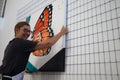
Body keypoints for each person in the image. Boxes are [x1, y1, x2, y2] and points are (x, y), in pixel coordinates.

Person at [0, 21, 68, 80]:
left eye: (29, 31)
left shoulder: (11, 44)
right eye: (25, 30)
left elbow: (13, 61)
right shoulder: (21, 43)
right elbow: (48, 43)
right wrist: (62, 32)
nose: (28, 33)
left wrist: (24, 69)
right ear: (17, 30)